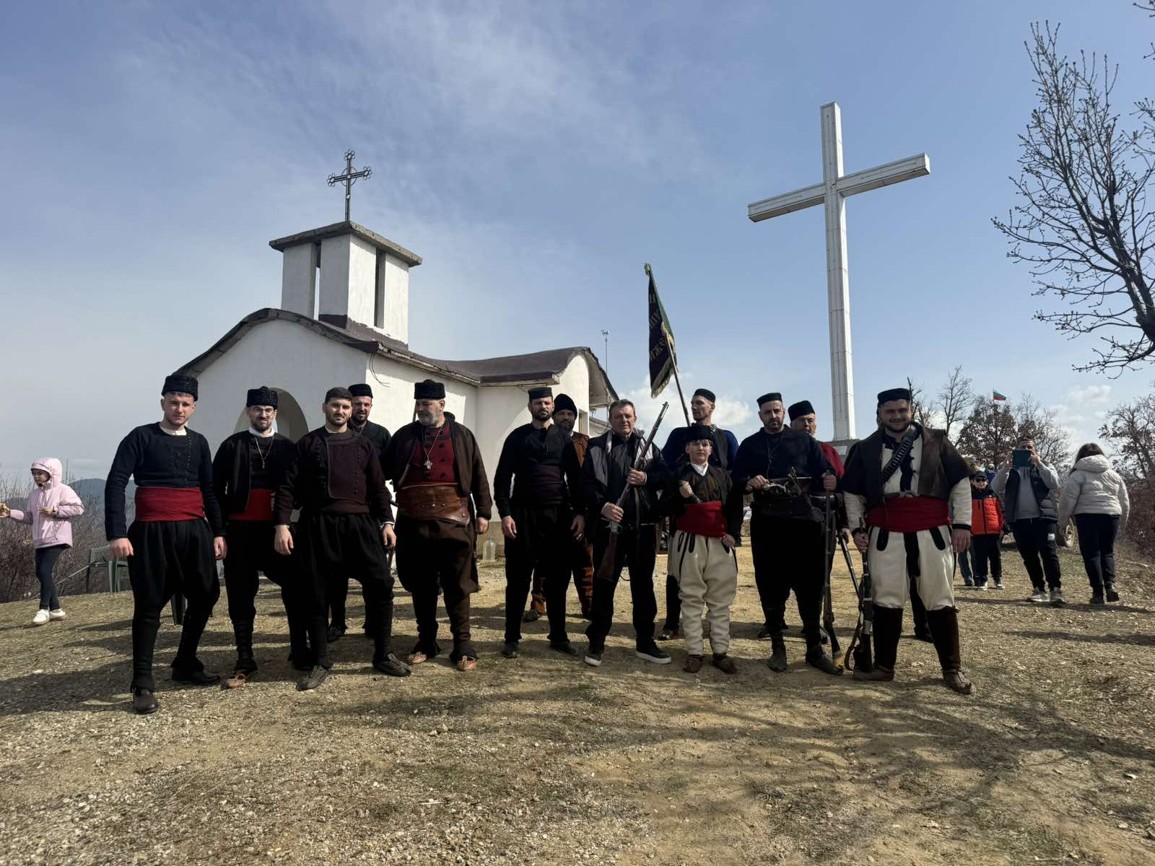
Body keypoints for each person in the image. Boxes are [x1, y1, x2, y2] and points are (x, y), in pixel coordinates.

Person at [104, 374, 226, 715]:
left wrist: (218, 532)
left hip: (194, 531)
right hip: (151, 532)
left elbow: (209, 489)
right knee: (149, 605)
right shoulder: (140, 437)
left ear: (194, 407)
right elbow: (116, 483)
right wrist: (117, 533)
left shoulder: (199, 442)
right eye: (173, 402)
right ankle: (142, 682)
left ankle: (185, 662)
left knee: (206, 594)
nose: (179, 409)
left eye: (186, 404)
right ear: (163, 403)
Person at [273, 387, 408, 690]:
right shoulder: (307, 444)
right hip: (318, 524)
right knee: (316, 593)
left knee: (381, 584)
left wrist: (387, 522)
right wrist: (281, 524)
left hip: (360, 524)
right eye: (336, 406)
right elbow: (287, 487)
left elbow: (378, 488)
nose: (341, 411)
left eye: (346, 407)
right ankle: (321, 661)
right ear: (325, 407)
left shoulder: (365, 446)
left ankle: (383, 653)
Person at [843, 388, 974, 695]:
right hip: (886, 532)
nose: (897, 416)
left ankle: (952, 668)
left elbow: (960, 482)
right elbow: (852, 491)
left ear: (911, 410)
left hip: (932, 530)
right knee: (886, 598)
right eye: (890, 411)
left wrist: (962, 524)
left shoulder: (937, 441)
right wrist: (857, 528)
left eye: (902, 410)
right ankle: (884, 667)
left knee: (940, 597)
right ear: (879, 414)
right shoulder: (865, 448)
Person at [381, 380, 492, 672]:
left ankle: (462, 645)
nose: (421, 409)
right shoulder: (404, 436)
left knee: (458, 585)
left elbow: (478, 474)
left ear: (442, 404)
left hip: (455, 521)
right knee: (422, 585)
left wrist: (484, 512)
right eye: (418, 403)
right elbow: (379, 471)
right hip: (413, 523)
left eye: (426, 404)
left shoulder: (462, 435)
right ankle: (427, 641)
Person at [731, 393, 840, 675]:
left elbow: (824, 471)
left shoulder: (804, 441)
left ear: (783, 412)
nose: (773, 416)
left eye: (777, 411)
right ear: (760, 416)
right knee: (771, 586)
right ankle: (778, 648)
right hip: (768, 525)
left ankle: (814, 649)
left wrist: (830, 478)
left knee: (811, 586)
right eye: (767, 412)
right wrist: (749, 482)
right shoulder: (750, 445)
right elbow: (736, 479)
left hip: (805, 523)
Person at [211, 386, 303, 686]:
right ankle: (244, 657)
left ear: (275, 413)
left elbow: (301, 488)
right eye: (257, 410)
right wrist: (219, 531)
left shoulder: (288, 447)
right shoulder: (232, 445)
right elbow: (214, 491)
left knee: (295, 587)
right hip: (239, 532)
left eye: (268, 410)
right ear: (249, 411)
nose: (263, 415)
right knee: (240, 596)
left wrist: (289, 508)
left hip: (277, 531)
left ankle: (299, 649)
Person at [494, 386, 585, 658]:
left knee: (558, 580)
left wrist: (580, 513)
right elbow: (502, 480)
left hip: (557, 517)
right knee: (518, 580)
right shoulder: (517, 438)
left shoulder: (564, 440)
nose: (542, 407)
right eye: (538, 403)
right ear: (530, 406)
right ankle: (511, 638)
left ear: (552, 406)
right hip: (523, 516)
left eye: (547, 403)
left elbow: (576, 480)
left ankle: (559, 636)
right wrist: (505, 514)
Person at [582, 399, 672, 667]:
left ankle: (645, 642)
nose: (624, 420)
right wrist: (603, 506)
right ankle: (597, 641)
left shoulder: (649, 447)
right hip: (608, 530)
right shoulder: (597, 447)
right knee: (603, 585)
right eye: (619, 416)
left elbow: (667, 477)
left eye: (628, 416)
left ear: (635, 418)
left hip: (642, 530)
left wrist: (646, 479)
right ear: (610, 419)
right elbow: (585, 485)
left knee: (643, 587)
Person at [658, 388, 740, 641]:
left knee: (717, 578)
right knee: (677, 572)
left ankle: (715, 629)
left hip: (717, 517)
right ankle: (673, 623)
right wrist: (684, 474)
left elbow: (735, 472)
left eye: (700, 403)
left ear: (712, 406)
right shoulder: (679, 435)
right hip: (685, 516)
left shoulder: (726, 437)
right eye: (692, 403)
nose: (695, 407)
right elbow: (663, 464)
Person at [663, 424, 744, 674]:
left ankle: (720, 651)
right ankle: (694, 651)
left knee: (720, 599)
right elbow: (662, 508)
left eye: (706, 444)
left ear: (711, 449)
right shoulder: (677, 475)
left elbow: (734, 506)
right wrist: (680, 495)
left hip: (719, 541)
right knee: (691, 597)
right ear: (687, 448)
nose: (701, 447)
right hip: (690, 543)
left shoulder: (723, 475)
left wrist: (733, 534)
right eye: (696, 443)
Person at [327, 382, 393, 643]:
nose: (361, 408)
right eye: (357, 404)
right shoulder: (335, 433)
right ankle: (338, 622)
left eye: (366, 404)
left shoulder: (380, 434)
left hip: (371, 511)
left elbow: (387, 471)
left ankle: (372, 620)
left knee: (372, 570)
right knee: (336, 571)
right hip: (341, 512)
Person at [0, 458, 84, 626]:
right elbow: (30, 517)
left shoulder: (63, 490)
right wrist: (10, 513)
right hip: (40, 540)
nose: (36, 476)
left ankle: (43, 609)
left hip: (57, 537)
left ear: (51, 473)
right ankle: (56, 609)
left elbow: (78, 508)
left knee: (44, 571)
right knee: (41, 573)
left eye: (40, 473)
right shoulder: (34, 494)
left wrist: (55, 511)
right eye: (34, 474)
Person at [993, 437, 1064, 605]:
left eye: (1029, 447)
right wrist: (1005, 468)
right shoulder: (1010, 470)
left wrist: (1039, 464)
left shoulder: (1046, 465)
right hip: (1019, 520)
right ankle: (1039, 589)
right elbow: (995, 487)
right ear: (1016, 451)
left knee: (1049, 553)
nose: (1026, 450)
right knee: (1029, 556)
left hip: (1044, 518)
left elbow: (1054, 483)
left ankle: (1055, 589)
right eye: (1022, 448)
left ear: (1036, 450)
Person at [1059, 443, 1130, 605]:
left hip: (1087, 516)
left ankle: (1097, 592)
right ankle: (1110, 584)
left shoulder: (1077, 475)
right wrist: (1123, 520)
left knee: (1091, 553)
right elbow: (1124, 500)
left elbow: (1067, 500)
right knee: (1107, 552)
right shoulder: (1113, 474)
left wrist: (1062, 521)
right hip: (1111, 515)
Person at [552, 393, 595, 618]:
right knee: (547, 560)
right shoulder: (545, 438)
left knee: (584, 558)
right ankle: (537, 603)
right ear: (554, 416)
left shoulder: (585, 442)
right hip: (552, 508)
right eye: (561, 413)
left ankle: (588, 603)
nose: (566, 418)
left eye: (570, 414)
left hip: (580, 508)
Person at [968, 470, 1005, 590]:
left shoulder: (993, 494)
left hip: (993, 531)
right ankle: (983, 580)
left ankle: (997, 578)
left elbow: (1001, 512)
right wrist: (968, 528)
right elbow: (966, 514)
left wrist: (1002, 527)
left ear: (987, 481)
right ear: (973, 482)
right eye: (978, 480)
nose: (981, 482)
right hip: (977, 532)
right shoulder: (969, 496)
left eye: (983, 480)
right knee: (980, 557)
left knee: (995, 556)